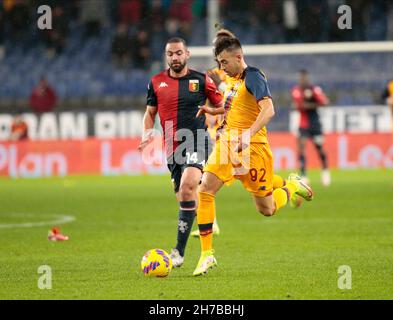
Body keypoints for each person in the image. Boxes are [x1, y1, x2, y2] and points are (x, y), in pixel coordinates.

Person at [192, 37, 314, 276]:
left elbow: (268, 110)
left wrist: (247, 135)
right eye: (219, 62)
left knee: (266, 209)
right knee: (205, 189)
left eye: (224, 61)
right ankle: (207, 255)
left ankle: (290, 185)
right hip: (229, 144)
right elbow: (234, 108)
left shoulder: (254, 76)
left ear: (238, 57)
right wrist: (213, 110)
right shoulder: (233, 81)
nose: (222, 67)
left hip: (252, 147)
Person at [138, 37, 224, 268]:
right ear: (166, 57)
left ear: (187, 54)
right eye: (170, 54)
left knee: (188, 185)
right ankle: (208, 214)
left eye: (178, 53)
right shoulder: (156, 82)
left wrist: (222, 124)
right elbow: (150, 113)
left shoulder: (202, 80)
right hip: (172, 147)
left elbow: (222, 106)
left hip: (197, 140)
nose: (174, 58)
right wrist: (147, 135)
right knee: (185, 197)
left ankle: (178, 252)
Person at [291, 70, 331, 186]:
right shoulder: (296, 90)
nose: (302, 80)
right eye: (301, 78)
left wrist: (309, 103)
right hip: (303, 124)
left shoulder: (314, 89)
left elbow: (324, 102)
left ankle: (325, 173)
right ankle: (303, 176)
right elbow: (299, 105)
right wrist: (313, 104)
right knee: (302, 147)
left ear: (307, 78)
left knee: (320, 149)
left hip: (315, 124)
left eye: (304, 78)